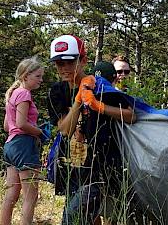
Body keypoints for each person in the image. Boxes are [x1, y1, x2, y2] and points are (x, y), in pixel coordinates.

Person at [47, 35, 137, 225]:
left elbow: (131, 116)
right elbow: (65, 130)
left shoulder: (101, 87)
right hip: (72, 167)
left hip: (101, 166)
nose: (63, 68)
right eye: (58, 63)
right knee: (87, 217)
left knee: (72, 219)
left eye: (69, 62)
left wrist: (99, 106)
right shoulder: (56, 92)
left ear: (83, 60)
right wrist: (80, 100)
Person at [1, 57, 46, 225]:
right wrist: (40, 132)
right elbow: (21, 124)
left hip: (10, 145)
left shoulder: (12, 94)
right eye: (38, 76)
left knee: (11, 195)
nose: (41, 80)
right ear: (26, 76)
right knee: (31, 195)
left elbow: (7, 126)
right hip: (23, 145)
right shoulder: (24, 94)